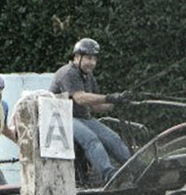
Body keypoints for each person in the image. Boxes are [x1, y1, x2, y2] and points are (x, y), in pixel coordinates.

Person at [49, 37, 132, 185]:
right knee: (91, 140)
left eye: (94, 59)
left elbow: (95, 106)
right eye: (88, 58)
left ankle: (135, 170)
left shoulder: (88, 76)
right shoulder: (68, 73)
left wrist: (116, 102)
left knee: (113, 139)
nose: (92, 63)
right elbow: (80, 98)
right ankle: (110, 176)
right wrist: (109, 97)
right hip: (63, 118)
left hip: (82, 118)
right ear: (76, 57)